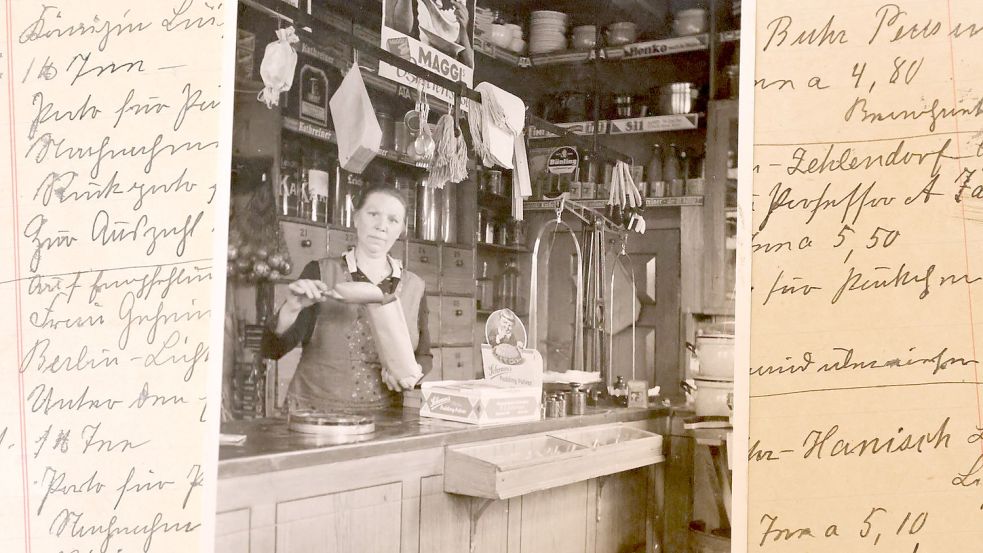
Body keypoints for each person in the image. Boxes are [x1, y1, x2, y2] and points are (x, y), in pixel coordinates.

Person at [262, 185, 431, 413]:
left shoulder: (415, 286)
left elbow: (424, 355)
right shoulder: (320, 272)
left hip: (385, 419)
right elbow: (272, 350)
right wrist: (291, 309)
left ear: (402, 229)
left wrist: (408, 374)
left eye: (393, 220)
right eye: (373, 214)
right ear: (356, 218)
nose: (381, 226)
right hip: (316, 415)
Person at [390, 0, 475, 68]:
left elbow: (470, 66)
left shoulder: (465, 7)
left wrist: (463, 31)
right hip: (412, 66)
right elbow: (400, 32)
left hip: (445, 75)